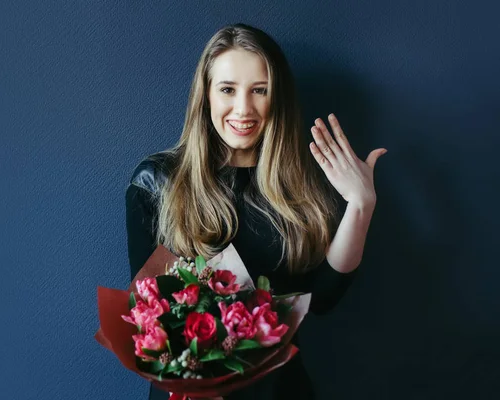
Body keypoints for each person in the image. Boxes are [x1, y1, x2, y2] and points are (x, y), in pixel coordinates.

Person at [125, 23, 386, 400]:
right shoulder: (157, 181)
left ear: (275, 98)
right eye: (228, 89)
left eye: (259, 91)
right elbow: (147, 317)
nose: (243, 108)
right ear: (207, 96)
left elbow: (323, 299)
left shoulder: (300, 182)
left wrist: (360, 206)